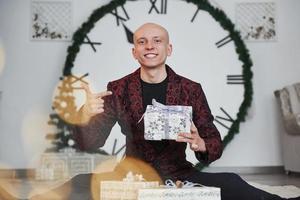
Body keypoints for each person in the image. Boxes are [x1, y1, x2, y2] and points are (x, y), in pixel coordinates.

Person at [30, 23, 299, 200]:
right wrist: (84, 114)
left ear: (168, 49)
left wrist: (201, 143)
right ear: (134, 51)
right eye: (143, 42)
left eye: (157, 41)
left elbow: (213, 142)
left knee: (233, 184)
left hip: (179, 175)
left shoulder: (191, 89)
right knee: (79, 184)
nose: (150, 46)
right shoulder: (118, 88)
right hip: (130, 174)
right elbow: (90, 142)